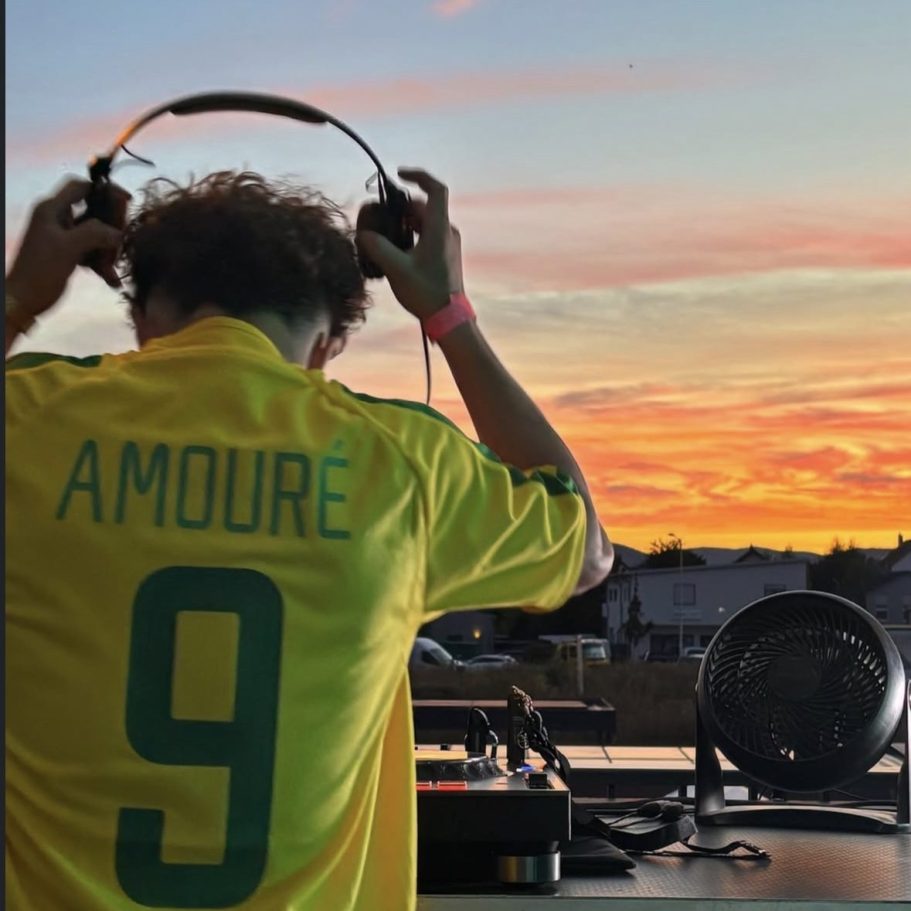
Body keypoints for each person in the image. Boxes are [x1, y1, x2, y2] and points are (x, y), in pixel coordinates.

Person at [5, 167, 614, 911]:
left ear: (142, 319)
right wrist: (448, 315)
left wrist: (17, 300)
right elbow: (588, 553)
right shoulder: (403, 462)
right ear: (327, 344)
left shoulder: (26, 420)